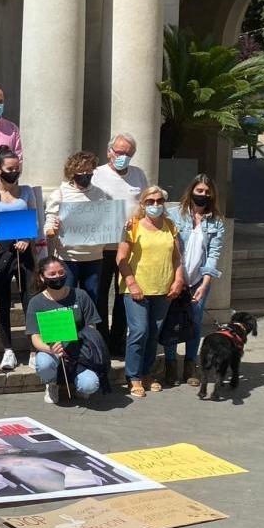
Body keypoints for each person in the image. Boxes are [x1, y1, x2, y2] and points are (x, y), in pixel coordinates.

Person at [117, 186, 185, 398]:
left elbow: (177, 257)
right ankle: (133, 376)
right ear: (142, 204)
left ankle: (146, 373)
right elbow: (121, 258)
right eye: (150, 201)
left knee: (154, 333)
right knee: (139, 331)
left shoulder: (170, 225)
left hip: (163, 288)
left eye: (159, 201)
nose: (155, 205)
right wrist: (132, 283)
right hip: (136, 289)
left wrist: (178, 279)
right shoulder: (133, 226)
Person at [163, 174, 225, 387]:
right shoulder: (174, 215)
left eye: (207, 193)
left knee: (194, 321)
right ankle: (170, 365)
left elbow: (214, 253)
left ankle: (190, 365)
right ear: (191, 191)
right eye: (199, 191)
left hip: (199, 279)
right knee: (172, 320)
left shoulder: (216, 222)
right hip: (175, 277)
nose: (203, 195)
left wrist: (206, 282)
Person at [91, 133, 149, 356]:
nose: (122, 156)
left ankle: (118, 341)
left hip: (129, 246)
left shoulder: (138, 175)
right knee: (100, 294)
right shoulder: (97, 175)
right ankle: (103, 340)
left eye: (127, 153)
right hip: (103, 247)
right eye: (119, 152)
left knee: (125, 293)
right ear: (109, 152)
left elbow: (144, 203)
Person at [0, 146, 35, 371]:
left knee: (29, 299)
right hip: (0, 250)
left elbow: (34, 219)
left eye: (17, 168)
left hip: (23, 249)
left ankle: (35, 348)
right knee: (3, 301)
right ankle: (8, 350)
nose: (14, 172)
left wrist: (27, 239)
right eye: (9, 168)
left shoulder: (27, 191)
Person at [25, 257, 103, 404]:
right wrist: (50, 348)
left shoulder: (80, 295)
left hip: (79, 351)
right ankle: (52, 383)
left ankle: (78, 384)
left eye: (61, 272)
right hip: (52, 352)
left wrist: (79, 340)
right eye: (52, 274)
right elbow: (35, 337)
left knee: (90, 385)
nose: (58, 277)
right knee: (43, 363)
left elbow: (92, 326)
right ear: (42, 277)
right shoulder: (36, 302)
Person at [44, 151, 111, 307]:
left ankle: (87, 331)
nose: (85, 175)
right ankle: (69, 332)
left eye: (89, 171)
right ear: (72, 172)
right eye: (81, 171)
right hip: (69, 258)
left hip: (95, 257)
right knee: (67, 301)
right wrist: (52, 229)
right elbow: (49, 225)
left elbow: (106, 220)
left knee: (91, 303)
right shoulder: (59, 194)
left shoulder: (100, 194)